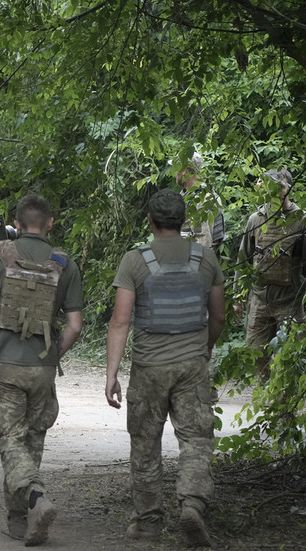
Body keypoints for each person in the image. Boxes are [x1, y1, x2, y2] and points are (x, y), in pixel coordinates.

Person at [105, 189, 225, 548]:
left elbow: (120, 321)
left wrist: (112, 373)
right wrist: (203, 349)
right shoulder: (205, 258)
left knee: (145, 444)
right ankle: (192, 505)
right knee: (196, 440)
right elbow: (218, 316)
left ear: (150, 220)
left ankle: (147, 524)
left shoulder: (135, 261)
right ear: (183, 219)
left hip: (149, 368)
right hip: (192, 366)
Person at [0, 194, 84, 546]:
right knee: (32, 440)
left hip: (6, 365)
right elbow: (75, 325)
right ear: (50, 223)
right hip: (42, 368)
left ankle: (35, 498)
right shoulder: (64, 263)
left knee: (9, 439)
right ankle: (19, 519)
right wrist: (53, 354)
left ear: (16, 224)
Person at [233, 168, 306, 380]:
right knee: (256, 353)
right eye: (268, 185)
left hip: (290, 301)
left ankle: (284, 399)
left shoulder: (301, 220)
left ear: (287, 189)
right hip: (259, 298)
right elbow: (243, 260)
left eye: (278, 186)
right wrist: (238, 297)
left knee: (287, 359)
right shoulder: (256, 219)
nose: (272, 190)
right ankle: (266, 395)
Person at [175, 152, 226, 254]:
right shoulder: (188, 196)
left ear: (185, 171)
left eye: (176, 168)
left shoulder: (203, 199)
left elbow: (204, 243)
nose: (175, 173)